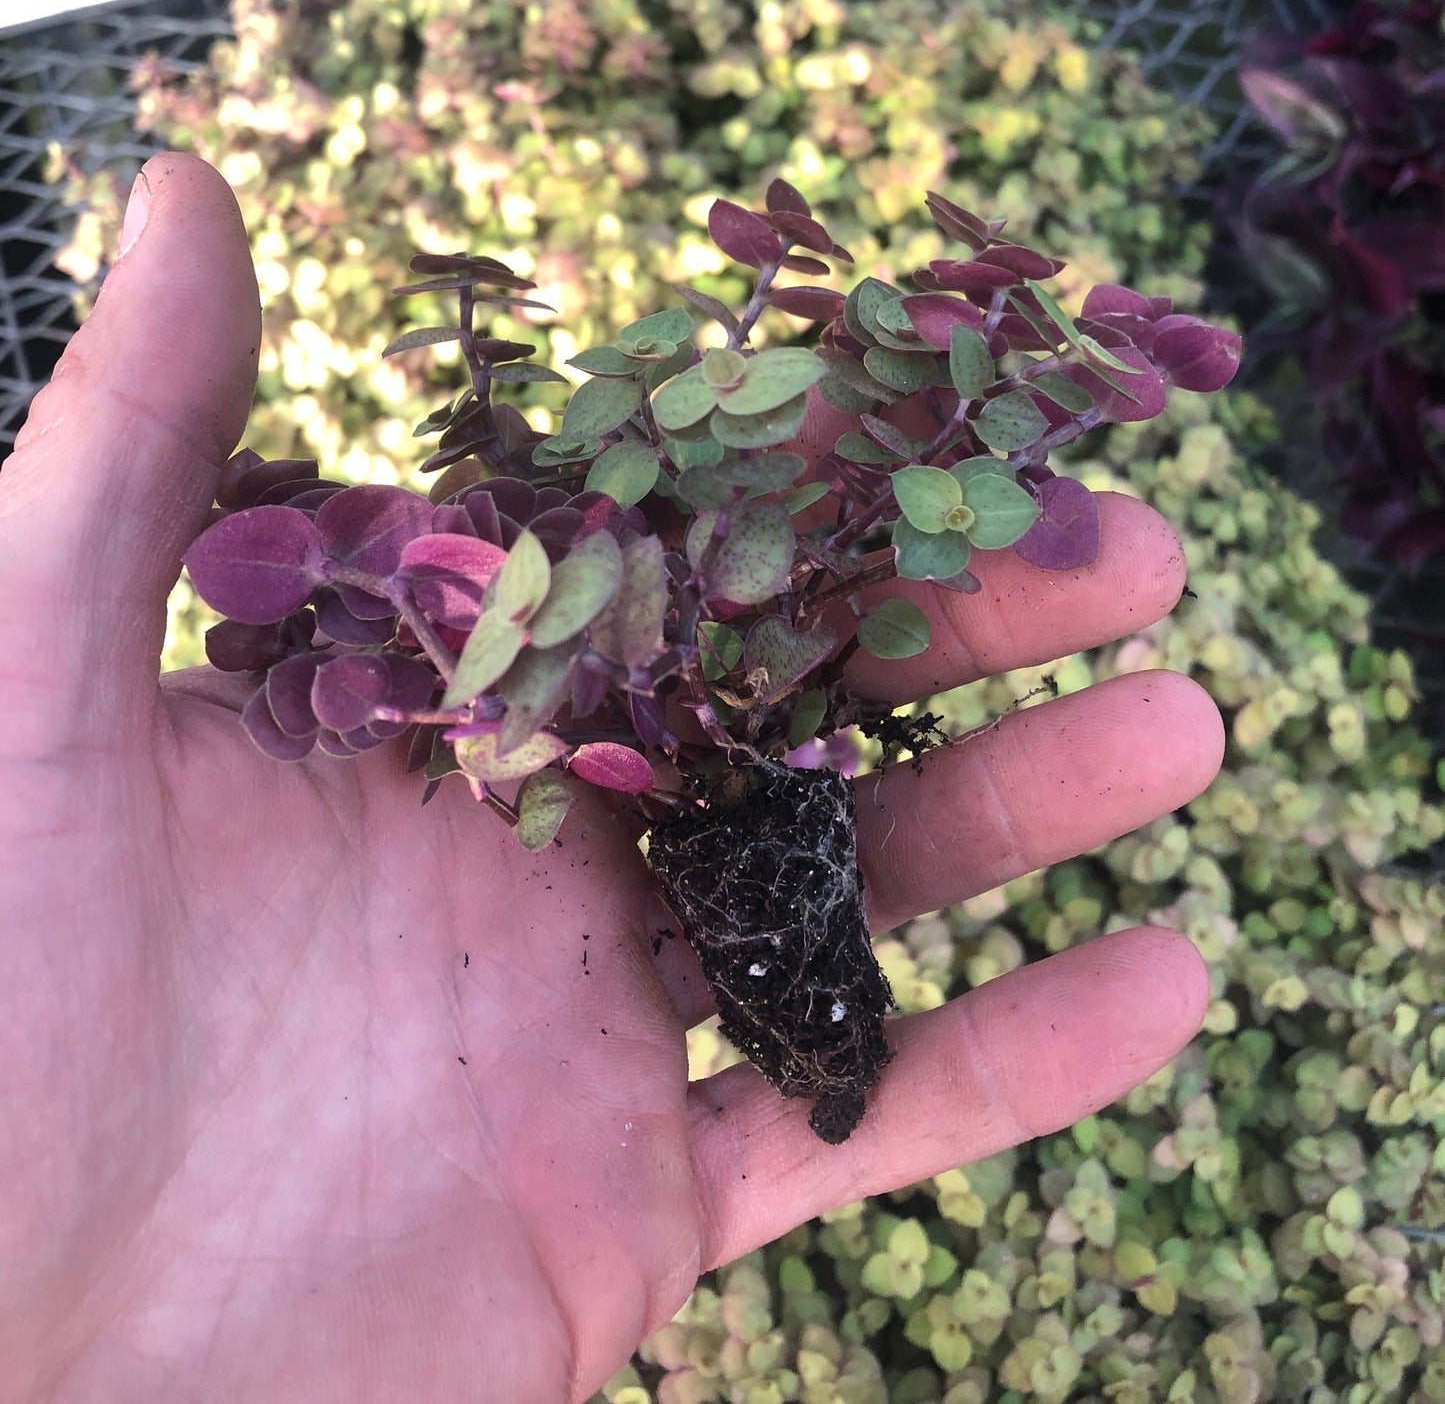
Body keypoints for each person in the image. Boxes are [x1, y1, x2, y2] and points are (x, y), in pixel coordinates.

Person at [0, 154, 1225, 1403]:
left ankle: (827, 1043)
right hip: (704, 787)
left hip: (743, 765)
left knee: (773, 635)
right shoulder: (521, 649)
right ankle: (823, 1042)